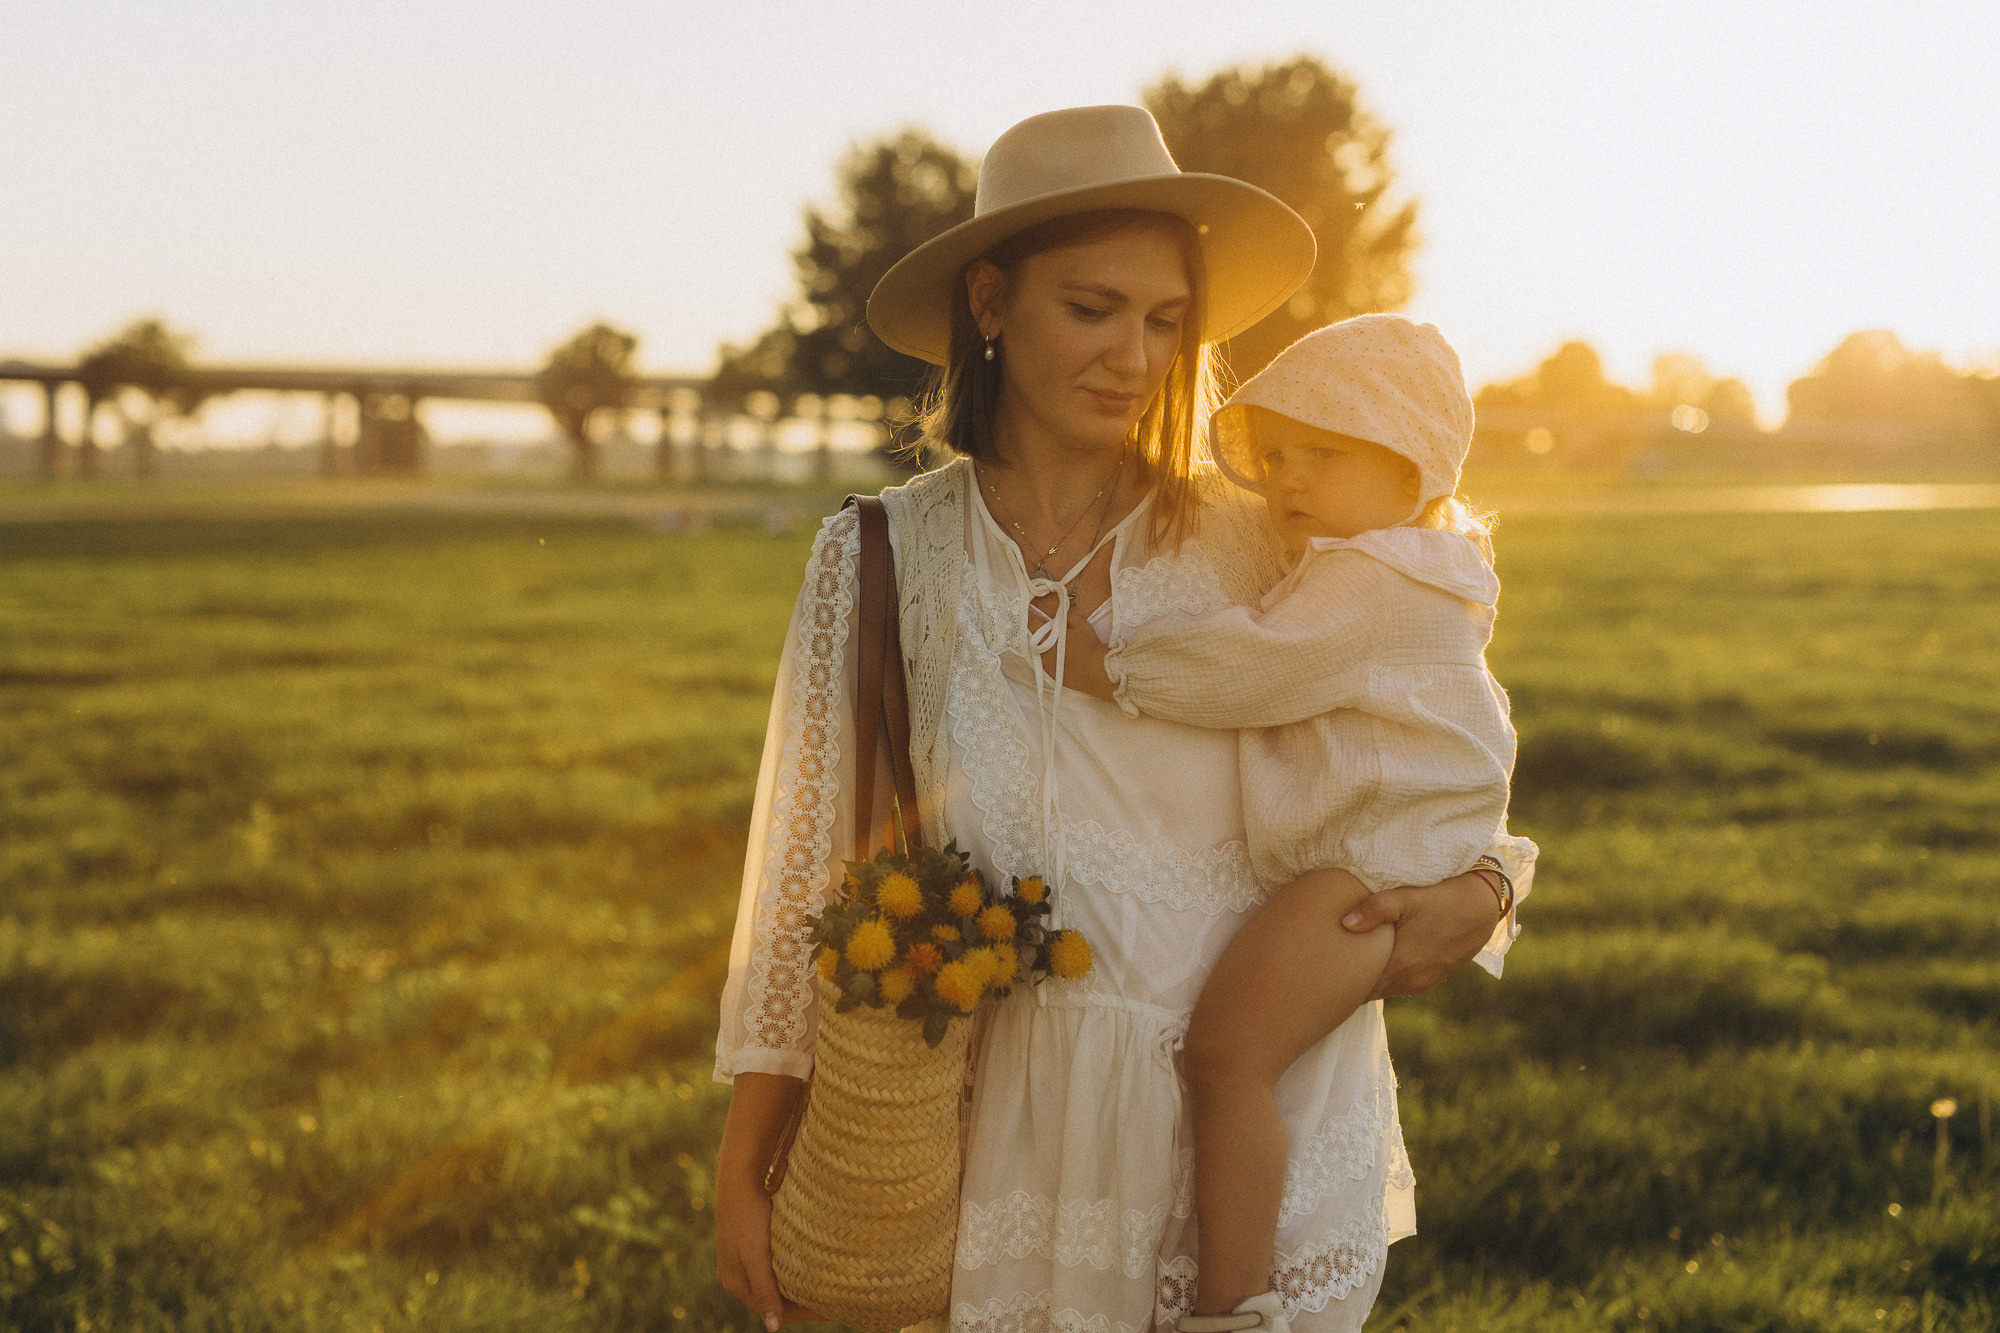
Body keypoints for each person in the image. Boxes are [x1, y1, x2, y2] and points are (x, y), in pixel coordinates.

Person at [713, 104, 1537, 1333]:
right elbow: (800, 886)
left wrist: (1487, 887)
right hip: (994, 1143)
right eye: (1090, 310)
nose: (1135, 357)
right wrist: (744, 1165)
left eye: (1164, 321)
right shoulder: (881, 554)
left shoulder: (1270, 540)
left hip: (1246, 1149)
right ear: (989, 304)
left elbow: (1434, 716)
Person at [1057, 315, 1519, 1333]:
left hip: (1355, 879)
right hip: (1384, 865)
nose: (1287, 481)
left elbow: (1250, 664)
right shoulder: (1418, 567)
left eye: (1324, 454)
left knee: (1225, 1058)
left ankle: (1232, 1306)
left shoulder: (1373, 579)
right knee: (1242, 1062)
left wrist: (1101, 661)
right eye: (1274, 457)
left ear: (1409, 471)